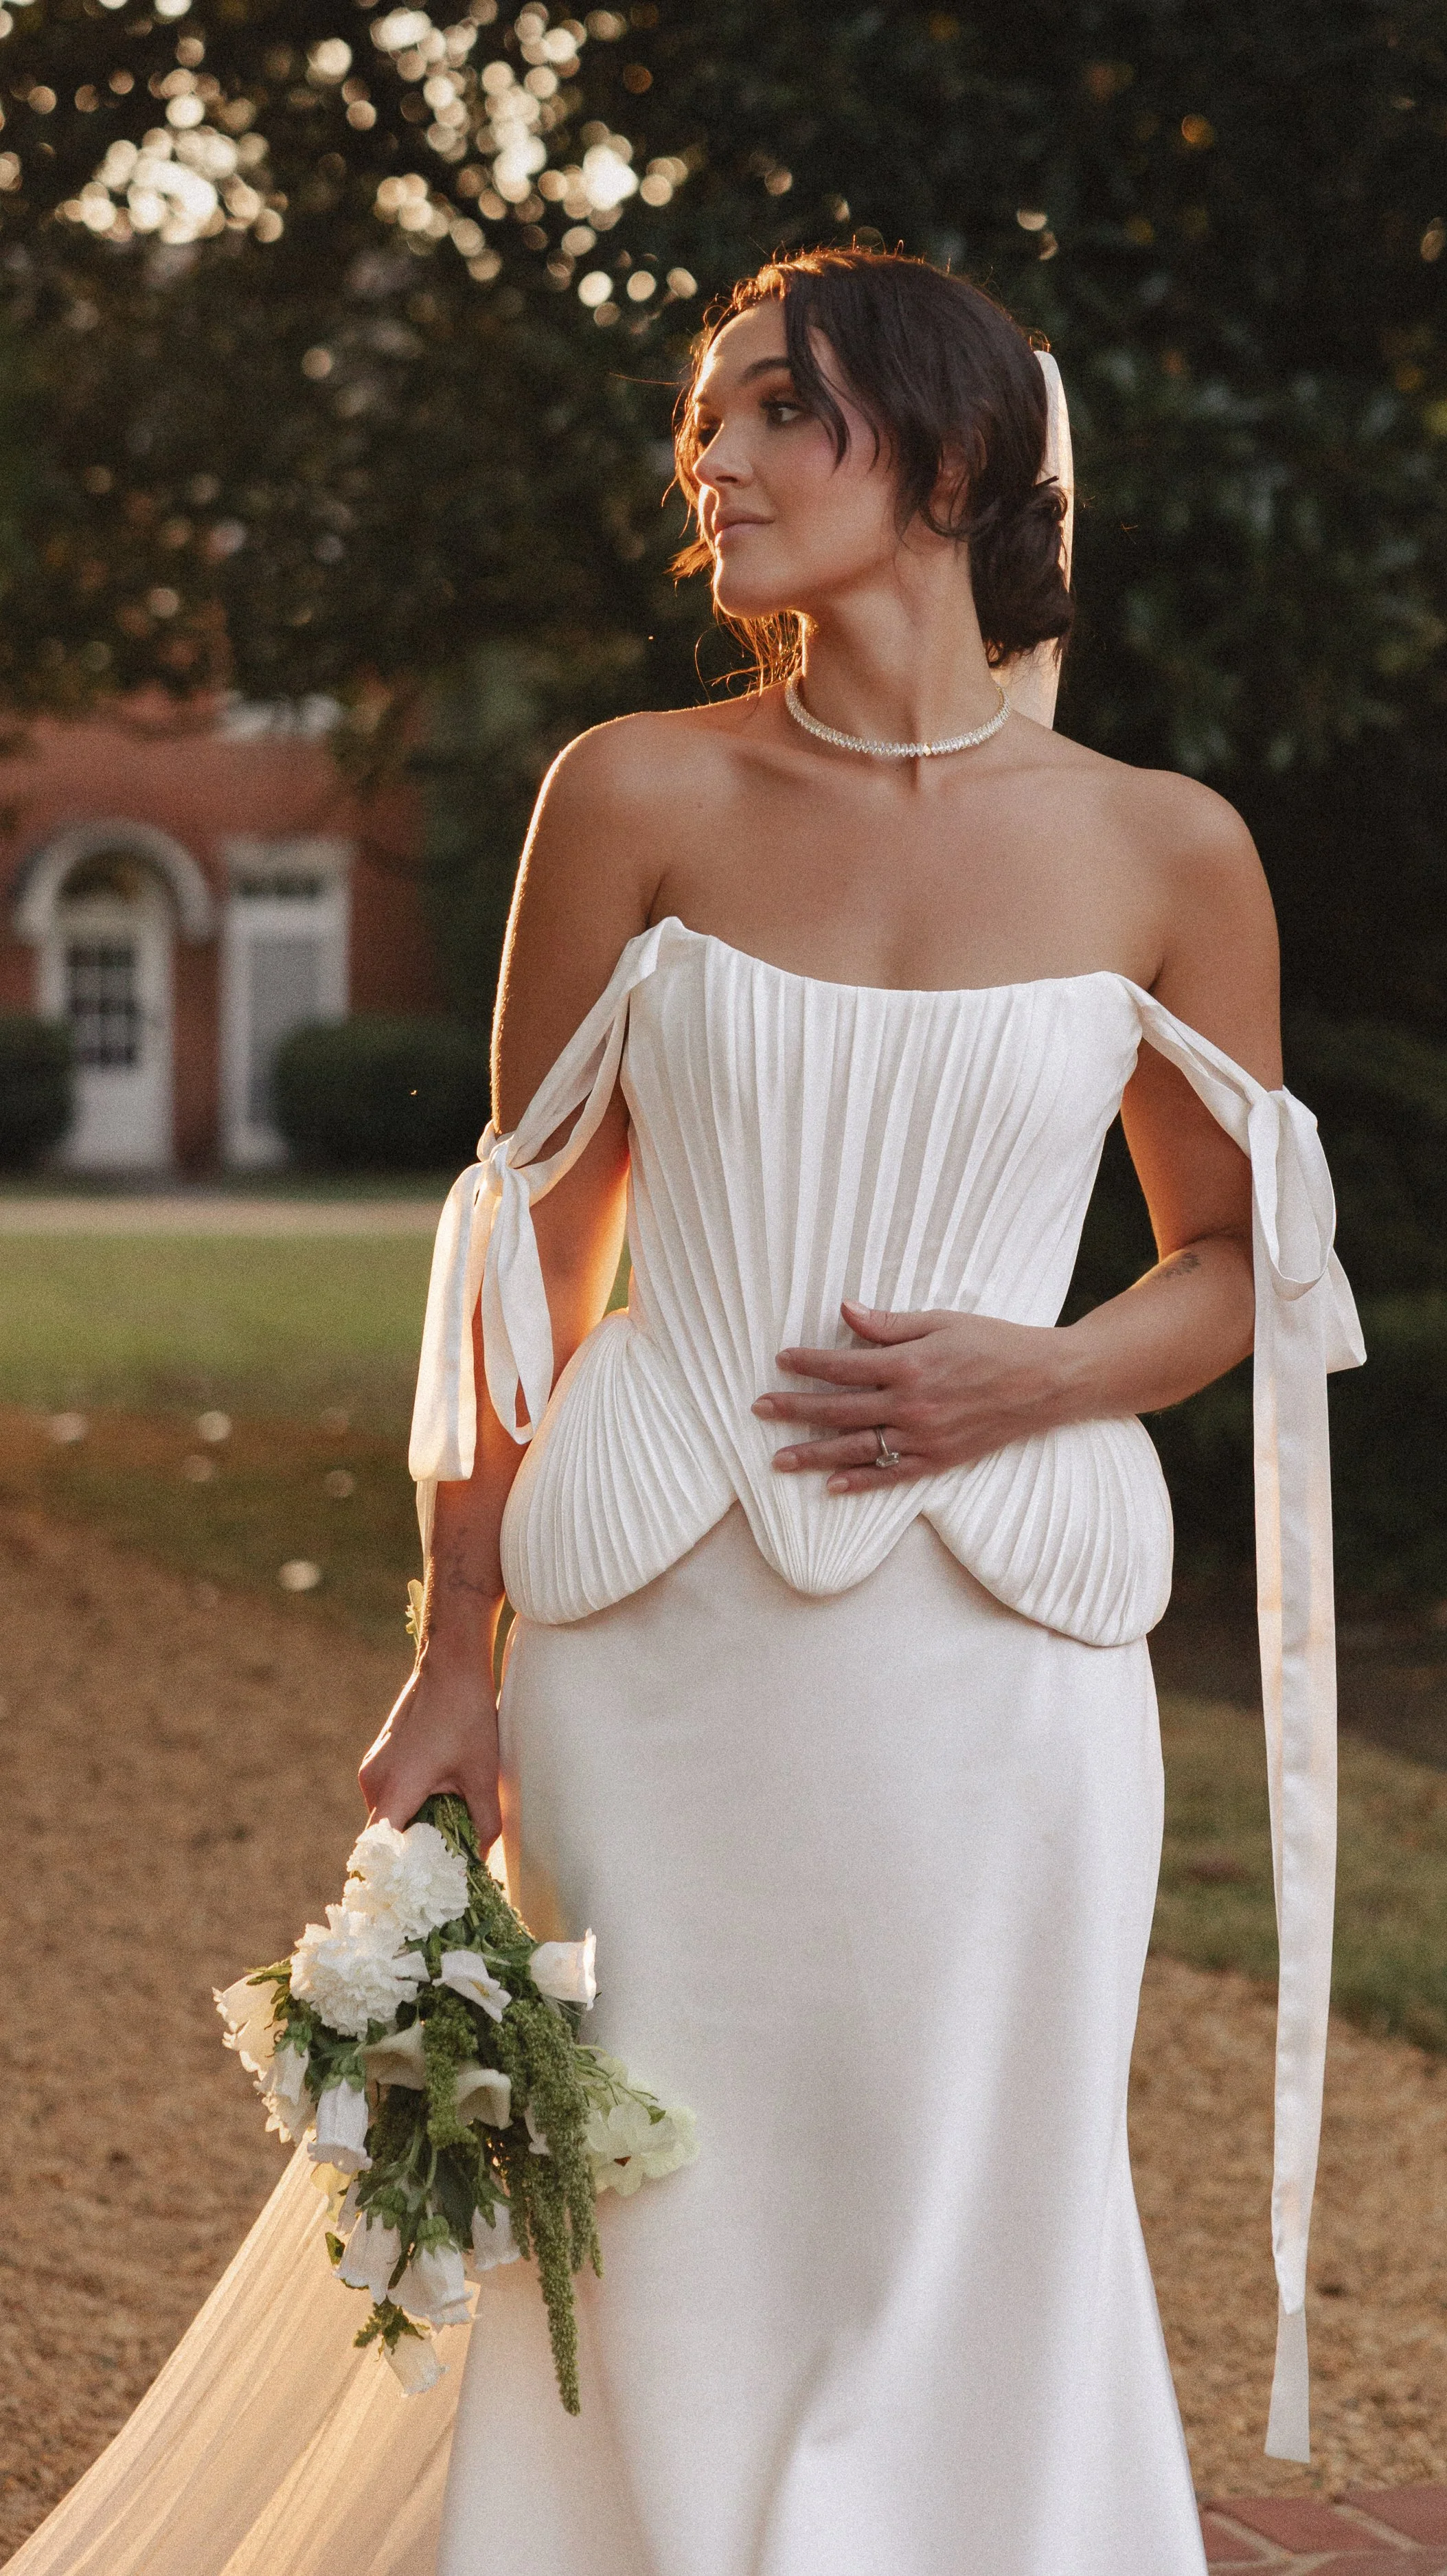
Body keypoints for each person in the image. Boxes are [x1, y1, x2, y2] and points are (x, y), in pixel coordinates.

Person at [10, 248, 1360, 2576]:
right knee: (650, 2190)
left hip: (1002, 1665)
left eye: (769, 417)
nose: (709, 467)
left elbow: (1240, 1266)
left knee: (976, 2177)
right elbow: (522, 1244)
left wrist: (1037, 1367)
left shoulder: (1170, 849)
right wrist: (451, 1647)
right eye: (701, 430)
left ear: (939, 462)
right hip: (661, 1636)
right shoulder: (627, 791)